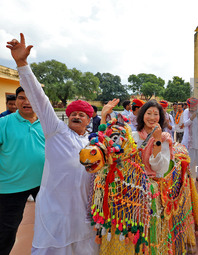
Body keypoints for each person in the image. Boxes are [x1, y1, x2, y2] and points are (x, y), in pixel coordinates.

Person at [6, 33, 117, 254]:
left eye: (82, 114)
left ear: (89, 120)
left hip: (83, 213)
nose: (76, 116)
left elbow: (105, 144)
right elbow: (39, 97)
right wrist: (22, 63)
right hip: (56, 212)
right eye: (73, 113)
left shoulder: (90, 142)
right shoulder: (56, 131)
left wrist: (104, 116)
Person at [0, 86, 45, 255]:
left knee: (50, 224)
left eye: (31, 97)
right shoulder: (3, 123)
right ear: (15, 100)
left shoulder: (47, 123)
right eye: (21, 98)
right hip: (10, 187)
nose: (26, 102)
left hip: (43, 185)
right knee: (6, 232)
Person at [101, 99, 172, 178]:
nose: (152, 118)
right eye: (149, 113)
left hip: (153, 185)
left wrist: (158, 140)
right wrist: (103, 116)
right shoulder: (133, 136)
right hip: (133, 184)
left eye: (156, 114)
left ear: (160, 117)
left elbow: (159, 168)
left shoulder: (164, 138)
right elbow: (107, 143)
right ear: (142, 115)